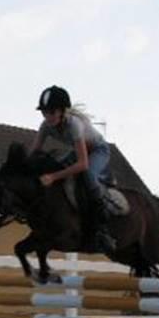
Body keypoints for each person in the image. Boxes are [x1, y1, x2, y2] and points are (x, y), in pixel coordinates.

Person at [28, 85, 119, 256]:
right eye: (44, 112)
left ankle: (102, 229)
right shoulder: (46, 125)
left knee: (89, 176)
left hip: (98, 150)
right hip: (78, 151)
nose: (48, 116)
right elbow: (33, 152)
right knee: (55, 165)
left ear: (62, 111)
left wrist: (53, 177)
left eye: (52, 112)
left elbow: (83, 164)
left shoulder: (74, 125)